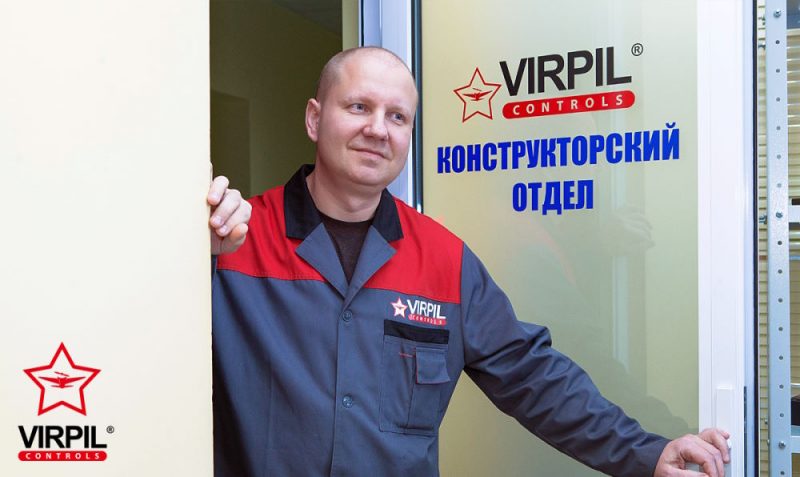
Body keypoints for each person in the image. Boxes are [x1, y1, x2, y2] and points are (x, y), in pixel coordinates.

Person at [206, 46, 730, 477]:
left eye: (397, 117)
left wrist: (646, 453)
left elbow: (533, 376)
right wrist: (194, 250)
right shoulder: (233, 242)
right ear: (315, 119)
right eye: (359, 107)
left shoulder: (443, 259)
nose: (378, 129)